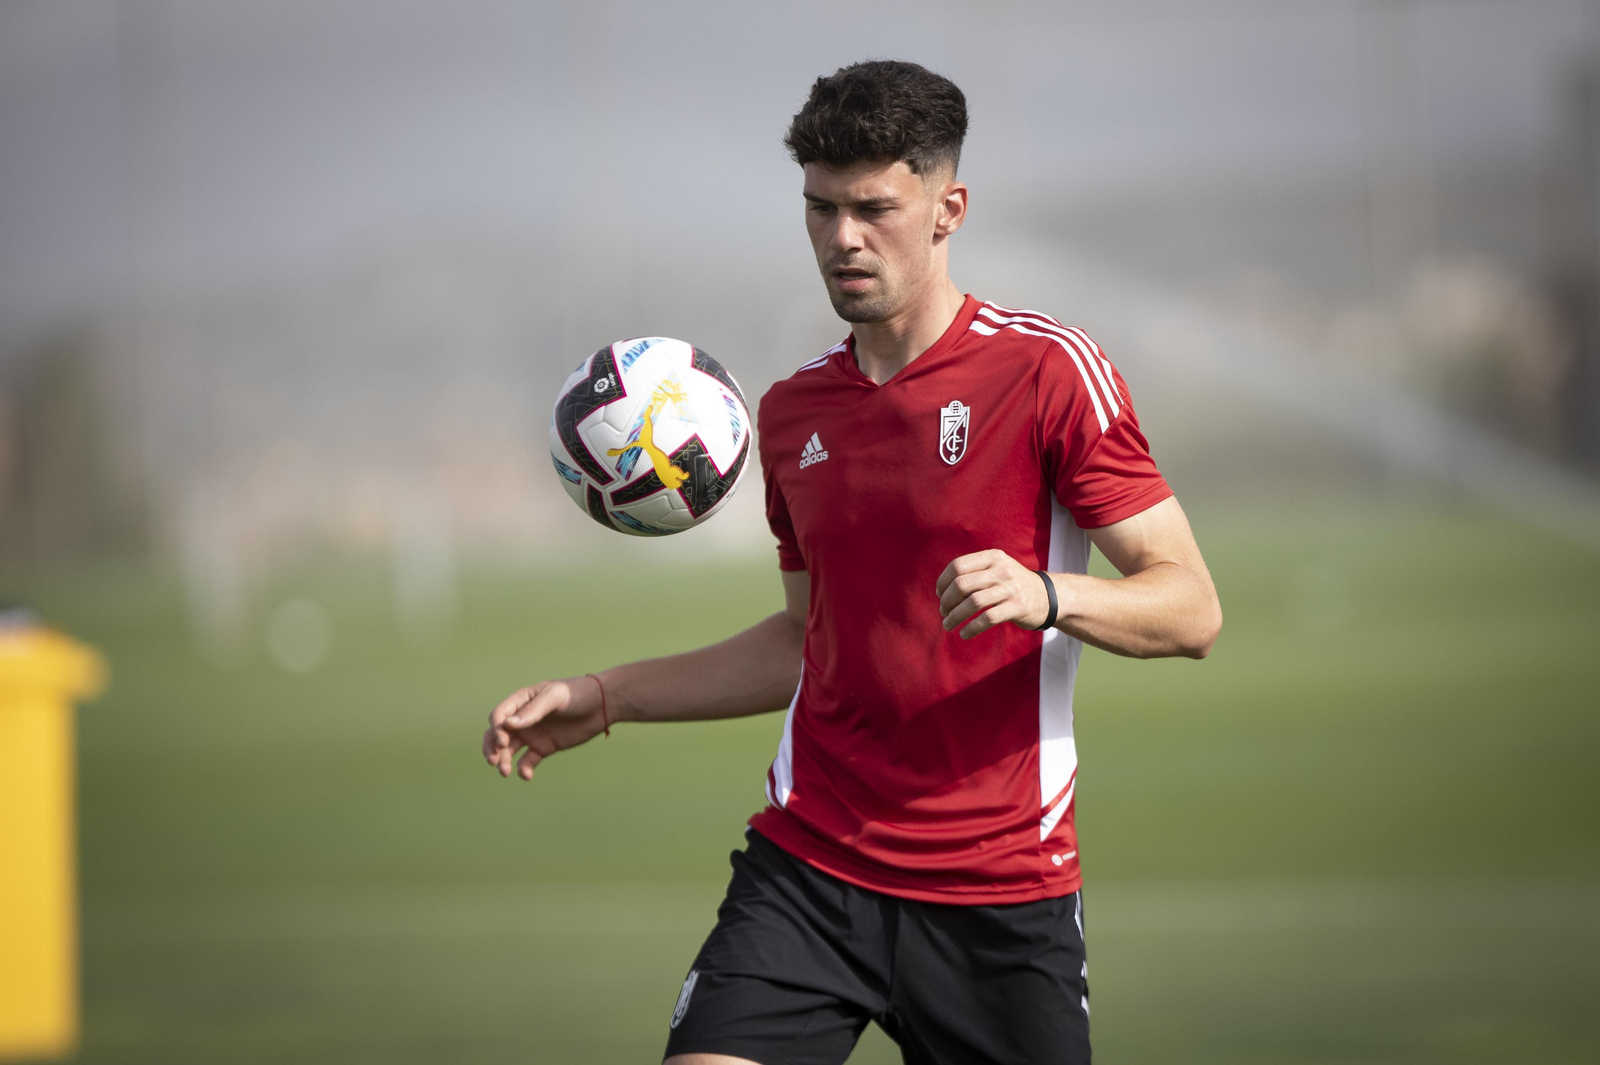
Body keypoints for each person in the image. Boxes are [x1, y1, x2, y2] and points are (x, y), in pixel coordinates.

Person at [482, 59, 1221, 1065]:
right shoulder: (789, 416)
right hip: (810, 868)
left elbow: (1189, 610)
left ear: (948, 207)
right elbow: (806, 639)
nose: (842, 238)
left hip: (997, 894)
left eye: (874, 208)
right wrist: (606, 696)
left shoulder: (1046, 372)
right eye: (820, 209)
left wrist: (1047, 594)